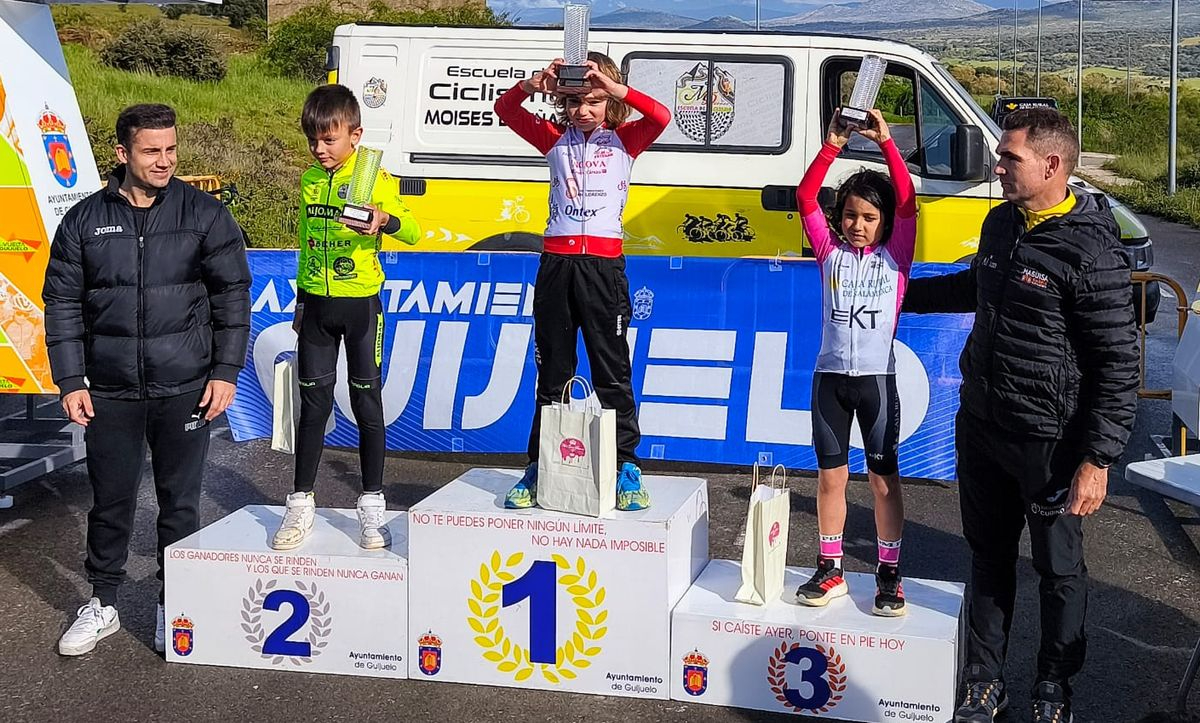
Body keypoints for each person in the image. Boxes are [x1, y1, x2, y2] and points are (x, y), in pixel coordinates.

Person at [903, 108, 1138, 723]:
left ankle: (1054, 687)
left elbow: (1119, 363)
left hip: (1051, 443)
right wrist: (897, 294)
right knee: (988, 557)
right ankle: (985, 682)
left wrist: (1098, 459)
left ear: (1052, 165)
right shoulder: (1001, 222)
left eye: (1010, 157)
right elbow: (973, 287)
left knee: (1059, 570)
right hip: (982, 426)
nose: (998, 166)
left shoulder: (1092, 249)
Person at [43, 104, 251, 656]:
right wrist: (71, 379)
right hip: (109, 390)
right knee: (110, 501)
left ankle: (174, 607)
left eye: (171, 149)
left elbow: (232, 297)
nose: (165, 161)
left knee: (179, 503)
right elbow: (61, 303)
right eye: (151, 151)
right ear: (122, 153)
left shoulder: (205, 214)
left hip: (184, 387)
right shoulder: (84, 221)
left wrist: (225, 371)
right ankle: (103, 602)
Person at [493, 53, 669, 511]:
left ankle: (626, 466)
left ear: (609, 102)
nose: (583, 111)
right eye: (574, 102)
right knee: (553, 373)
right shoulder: (553, 139)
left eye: (593, 101)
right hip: (556, 265)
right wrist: (533, 83)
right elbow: (505, 109)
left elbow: (661, 116)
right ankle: (539, 466)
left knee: (612, 373)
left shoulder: (625, 140)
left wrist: (614, 89)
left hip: (603, 269)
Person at [271, 84, 421, 552]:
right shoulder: (310, 180)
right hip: (316, 306)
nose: (319, 148)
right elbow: (305, 244)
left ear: (355, 135)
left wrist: (384, 220)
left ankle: (372, 506)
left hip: (361, 307)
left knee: (366, 404)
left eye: (329, 139)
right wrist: (301, 302)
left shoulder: (374, 175)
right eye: (312, 140)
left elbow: (414, 231)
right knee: (313, 407)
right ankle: (300, 503)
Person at [792, 109, 916, 617]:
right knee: (830, 480)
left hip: (876, 383)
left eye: (868, 218)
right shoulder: (829, 252)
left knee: (884, 481)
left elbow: (907, 202)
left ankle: (889, 573)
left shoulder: (897, 255)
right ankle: (831, 567)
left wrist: (887, 144)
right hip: (829, 381)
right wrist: (832, 145)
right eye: (849, 215)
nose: (857, 225)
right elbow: (805, 197)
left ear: (884, 222)